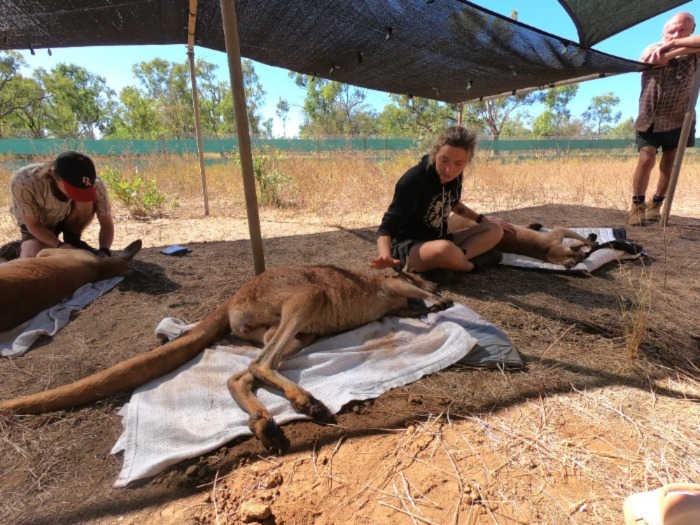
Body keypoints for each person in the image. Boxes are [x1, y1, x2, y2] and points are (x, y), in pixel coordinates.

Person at [370, 125, 514, 282]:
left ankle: (446, 265)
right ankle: (469, 266)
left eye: (459, 163)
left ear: (468, 160)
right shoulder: (413, 181)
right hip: (410, 249)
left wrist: (482, 219)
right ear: (435, 153)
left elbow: (452, 203)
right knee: (444, 250)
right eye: (443, 160)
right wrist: (385, 255)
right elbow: (386, 227)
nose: (449, 170)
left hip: (441, 239)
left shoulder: (454, 177)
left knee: (495, 230)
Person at [629, 11, 700, 226]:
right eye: (672, 31)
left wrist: (673, 45)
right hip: (650, 117)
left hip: (681, 118)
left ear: (691, 31)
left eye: (682, 31)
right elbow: (654, 58)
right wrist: (669, 50)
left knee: (668, 165)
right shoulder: (652, 47)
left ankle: (655, 206)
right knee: (647, 158)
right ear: (663, 32)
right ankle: (637, 205)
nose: (675, 34)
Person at [10, 151, 115, 258]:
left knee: (87, 201)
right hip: (40, 223)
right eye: (74, 190)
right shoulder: (24, 182)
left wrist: (104, 251)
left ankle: (73, 240)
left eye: (84, 191)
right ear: (54, 175)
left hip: (68, 217)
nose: (78, 194)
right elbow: (33, 224)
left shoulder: (96, 185)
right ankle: (21, 246)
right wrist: (59, 245)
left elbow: (106, 223)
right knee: (33, 257)